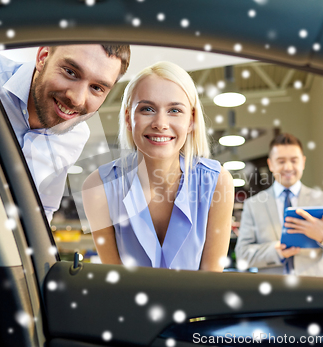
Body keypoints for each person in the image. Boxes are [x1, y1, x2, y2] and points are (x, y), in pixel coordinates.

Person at [82, 61, 234, 271]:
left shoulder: (217, 182)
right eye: (147, 109)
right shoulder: (98, 187)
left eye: (174, 110)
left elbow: (211, 284)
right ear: (128, 118)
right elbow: (115, 283)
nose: (160, 123)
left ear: (191, 120)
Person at [0, 44, 131, 222]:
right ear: (43, 56)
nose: (77, 99)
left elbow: (43, 208)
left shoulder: (76, 136)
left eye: (96, 88)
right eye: (70, 72)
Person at [236, 133, 323, 277]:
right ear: (270, 164)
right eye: (281, 161)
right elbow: (242, 254)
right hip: (273, 293)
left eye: (294, 160)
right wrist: (275, 251)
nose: (288, 167)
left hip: (316, 289)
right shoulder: (253, 205)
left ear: (303, 162)